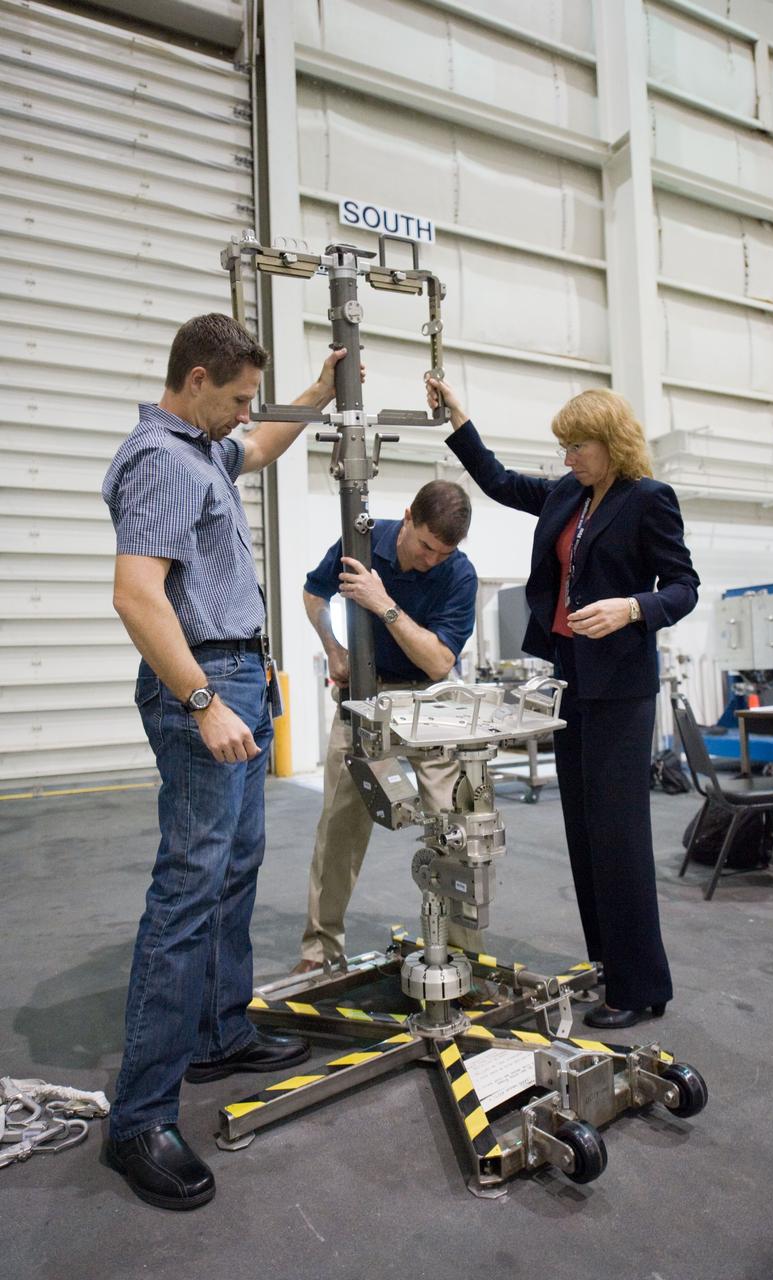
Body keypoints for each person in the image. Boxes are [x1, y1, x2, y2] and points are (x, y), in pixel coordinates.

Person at [101, 313, 357, 1211]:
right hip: (207, 681)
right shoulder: (163, 460)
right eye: (240, 396)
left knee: (234, 869)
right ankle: (137, 1119)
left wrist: (316, 397)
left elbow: (257, 448)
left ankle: (217, 1032)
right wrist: (202, 702)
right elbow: (138, 595)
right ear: (198, 378)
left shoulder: (205, 445)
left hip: (244, 675)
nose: (249, 413)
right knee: (187, 890)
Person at [427, 376, 699, 1029]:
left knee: (618, 834)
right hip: (569, 678)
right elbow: (495, 481)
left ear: (611, 443)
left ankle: (640, 985)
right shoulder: (565, 496)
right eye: (564, 446)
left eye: (577, 445)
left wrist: (634, 607)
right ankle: (611, 965)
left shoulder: (647, 500)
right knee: (583, 831)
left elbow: (684, 586)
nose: (567, 456)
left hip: (621, 685)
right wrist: (459, 418)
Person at [292, 481, 479, 974]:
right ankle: (319, 952)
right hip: (366, 701)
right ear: (408, 516)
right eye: (425, 546)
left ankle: (459, 956)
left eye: (445, 551)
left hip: (431, 706)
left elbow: (439, 661)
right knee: (339, 829)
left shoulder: (459, 574)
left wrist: (383, 604)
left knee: (453, 830)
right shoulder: (363, 543)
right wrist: (334, 648)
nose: (433, 560)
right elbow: (314, 592)